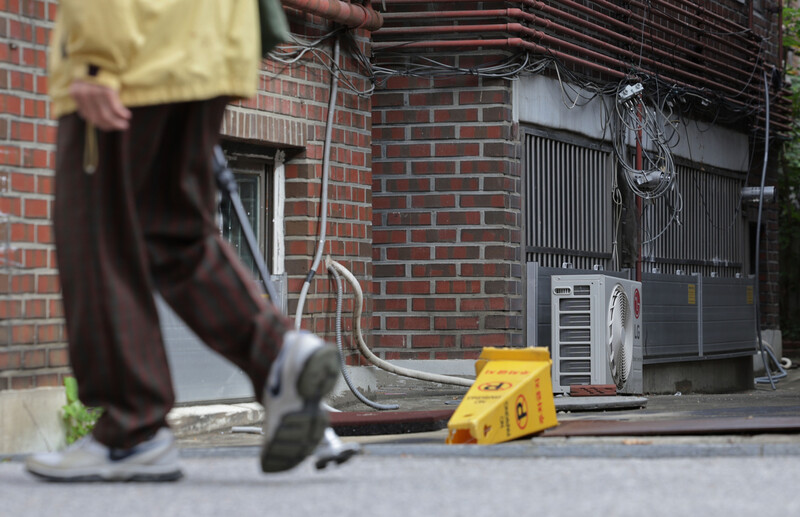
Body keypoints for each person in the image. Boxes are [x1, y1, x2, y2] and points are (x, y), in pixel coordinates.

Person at [25, 0, 339, 481]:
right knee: (174, 233)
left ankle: (131, 431)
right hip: (208, 40)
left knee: (99, 236)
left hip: (134, 42)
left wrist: (94, 57)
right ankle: (279, 357)